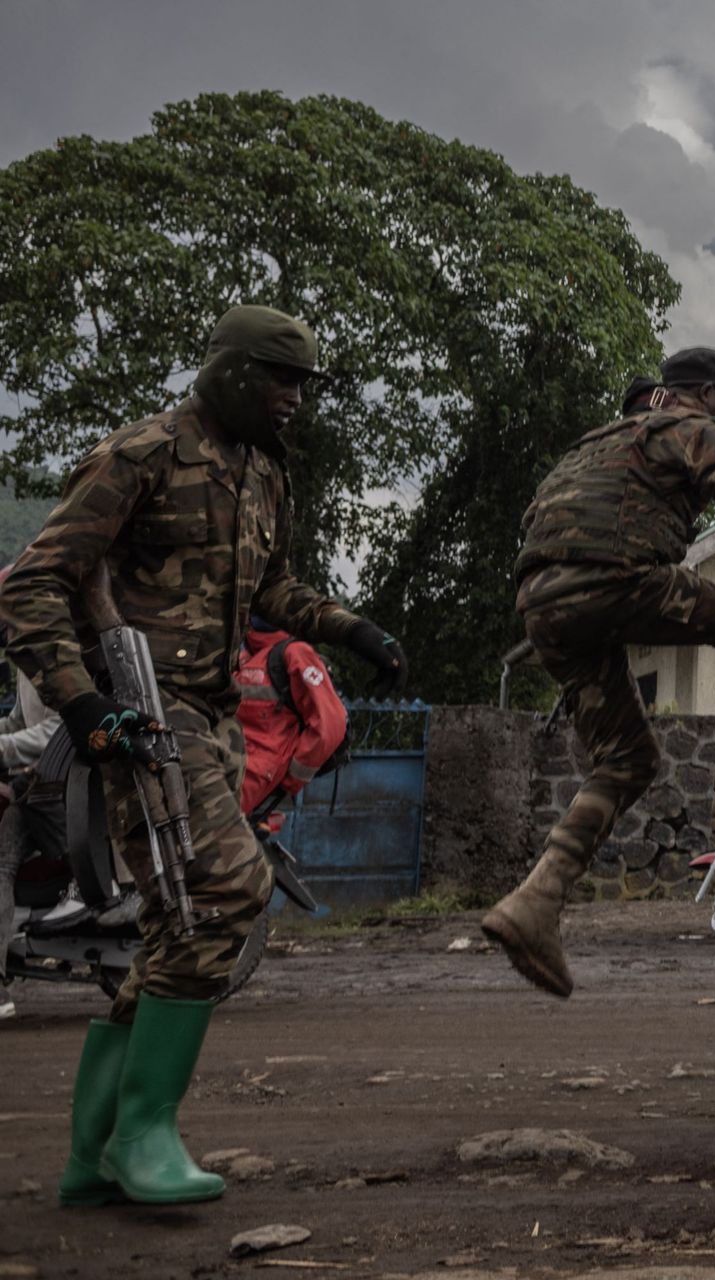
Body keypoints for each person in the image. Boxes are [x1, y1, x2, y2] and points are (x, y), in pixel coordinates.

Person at [0, 305, 406, 1208]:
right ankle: (142, 1134)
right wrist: (85, 702)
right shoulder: (142, 454)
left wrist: (353, 630)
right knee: (226, 891)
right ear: (230, 373)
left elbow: (271, 587)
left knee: (178, 922)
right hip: (144, 710)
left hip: (215, 715)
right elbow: (32, 581)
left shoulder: (263, 471)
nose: (295, 399)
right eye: (279, 379)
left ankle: (96, 1151)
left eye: (302, 383)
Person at [483, 347, 715, 999]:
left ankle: (534, 903)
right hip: (617, 581)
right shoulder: (695, 429)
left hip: (542, 605)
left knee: (627, 760)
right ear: (706, 393)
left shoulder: (592, 445)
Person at [0, 583, 60, 1020]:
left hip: (61, 791)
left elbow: (57, 730)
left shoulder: (54, 655)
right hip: (39, 782)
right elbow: (21, 721)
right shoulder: (26, 660)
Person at [235, 616, 349, 818]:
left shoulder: (295, 654)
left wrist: (290, 780)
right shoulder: (240, 654)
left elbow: (330, 725)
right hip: (227, 769)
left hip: (250, 781)